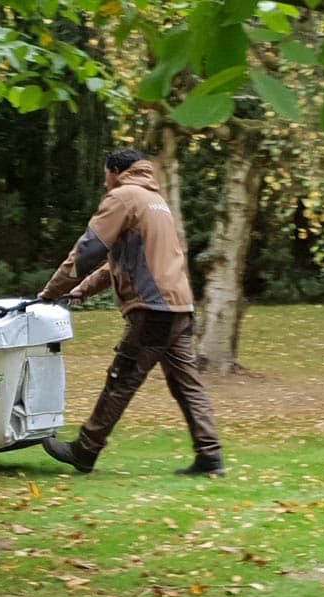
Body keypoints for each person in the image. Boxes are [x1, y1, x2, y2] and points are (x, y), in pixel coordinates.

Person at [38, 148, 225, 477]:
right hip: (179, 305)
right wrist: (83, 289)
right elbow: (124, 261)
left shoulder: (124, 197)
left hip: (153, 308)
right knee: (187, 384)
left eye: (105, 174)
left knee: (121, 379)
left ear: (115, 171)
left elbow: (89, 249)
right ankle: (210, 456)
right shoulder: (156, 202)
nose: (103, 182)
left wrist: (49, 293)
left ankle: (86, 449)